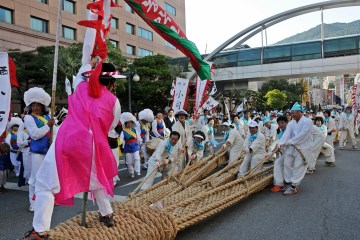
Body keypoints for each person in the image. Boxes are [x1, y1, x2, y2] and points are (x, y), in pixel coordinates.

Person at [20, 60, 121, 240]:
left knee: (44, 183)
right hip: (92, 145)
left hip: (67, 139)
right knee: (97, 177)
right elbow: (111, 127)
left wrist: (92, 55)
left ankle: (40, 230)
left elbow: (85, 60)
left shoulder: (80, 86)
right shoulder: (115, 102)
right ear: (112, 83)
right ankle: (107, 214)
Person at [22, 88, 54, 212]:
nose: (36, 108)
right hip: (37, 152)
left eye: (38, 105)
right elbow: (35, 134)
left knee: (48, 177)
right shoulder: (28, 118)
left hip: (49, 151)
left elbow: (55, 132)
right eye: (33, 105)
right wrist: (48, 126)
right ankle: (33, 202)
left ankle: (47, 201)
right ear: (30, 107)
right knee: (35, 178)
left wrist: (54, 138)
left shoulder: (48, 117)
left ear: (42, 106)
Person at [278, 102, 313, 195]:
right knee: (287, 162)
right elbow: (286, 134)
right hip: (292, 147)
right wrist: (280, 144)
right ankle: (289, 182)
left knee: (299, 166)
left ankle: (294, 186)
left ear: (299, 112)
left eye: (293, 113)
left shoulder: (308, 122)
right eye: (291, 113)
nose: (292, 115)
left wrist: (290, 142)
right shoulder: (291, 123)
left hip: (304, 147)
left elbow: (303, 135)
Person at [120, 112, 142, 178]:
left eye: (130, 123)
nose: (129, 124)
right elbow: (121, 139)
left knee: (137, 158)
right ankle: (131, 172)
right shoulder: (123, 131)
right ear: (125, 124)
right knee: (129, 162)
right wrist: (120, 144)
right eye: (128, 123)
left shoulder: (135, 130)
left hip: (135, 146)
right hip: (127, 147)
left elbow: (138, 138)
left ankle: (138, 171)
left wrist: (140, 142)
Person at [271, 116, 290, 192]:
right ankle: (279, 184)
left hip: (292, 153)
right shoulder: (281, 132)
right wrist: (274, 150)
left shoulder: (289, 131)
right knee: (278, 163)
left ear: (287, 123)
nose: (280, 125)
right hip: (286, 153)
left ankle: (291, 185)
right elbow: (278, 143)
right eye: (279, 123)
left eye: (282, 123)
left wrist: (280, 146)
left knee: (288, 167)